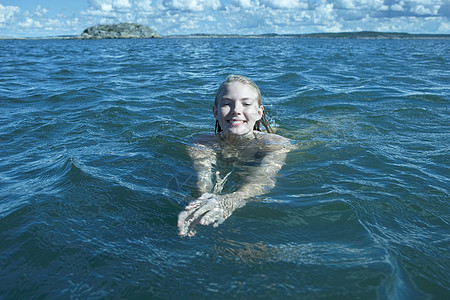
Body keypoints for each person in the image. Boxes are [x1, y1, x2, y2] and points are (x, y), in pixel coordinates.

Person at [177, 75, 293, 237]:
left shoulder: (276, 145)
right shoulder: (202, 143)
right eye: (226, 104)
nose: (236, 110)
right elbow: (204, 176)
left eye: (246, 104)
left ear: (259, 112)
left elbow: (264, 179)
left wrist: (230, 201)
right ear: (215, 112)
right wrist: (199, 204)